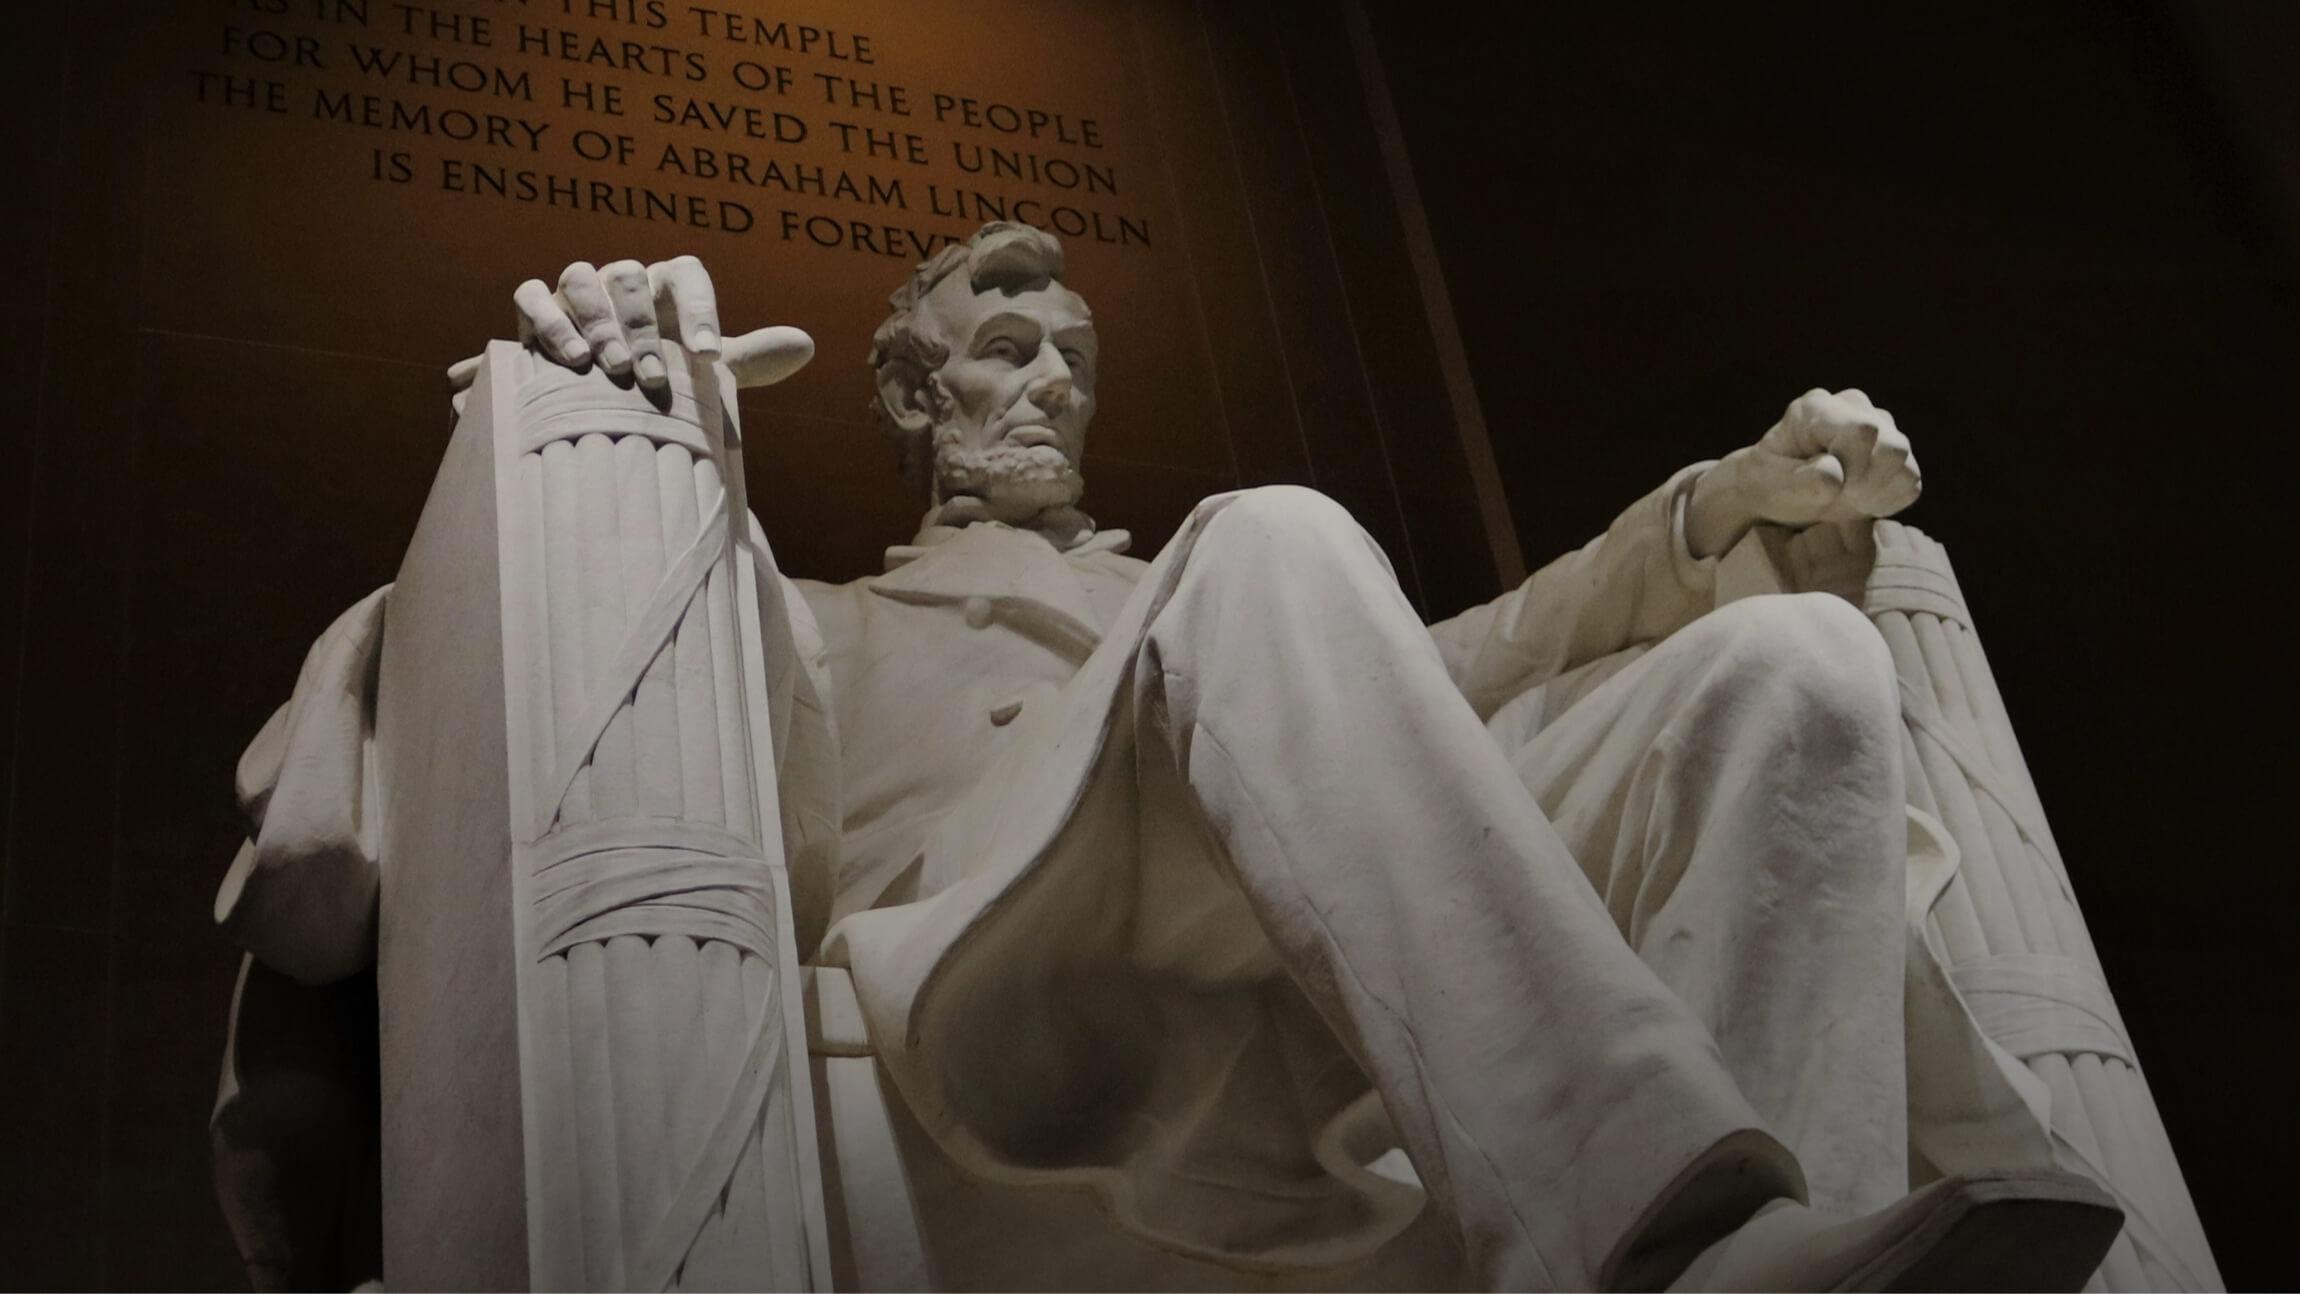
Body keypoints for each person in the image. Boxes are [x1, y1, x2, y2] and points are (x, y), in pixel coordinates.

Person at [214, 221, 2117, 1291]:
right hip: (1013, 970)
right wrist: (614, 379)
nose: (1050, 381)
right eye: (1003, 347)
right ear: (904, 393)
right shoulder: (809, 608)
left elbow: (1498, 662)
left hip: (1310, 948)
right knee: (1279, 530)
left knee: (1789, 662)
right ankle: (1658, 1232)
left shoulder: (1254, 620)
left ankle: (1795, 1244)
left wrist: (1718, 509)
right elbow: (516, 683)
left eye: (1072, 357)